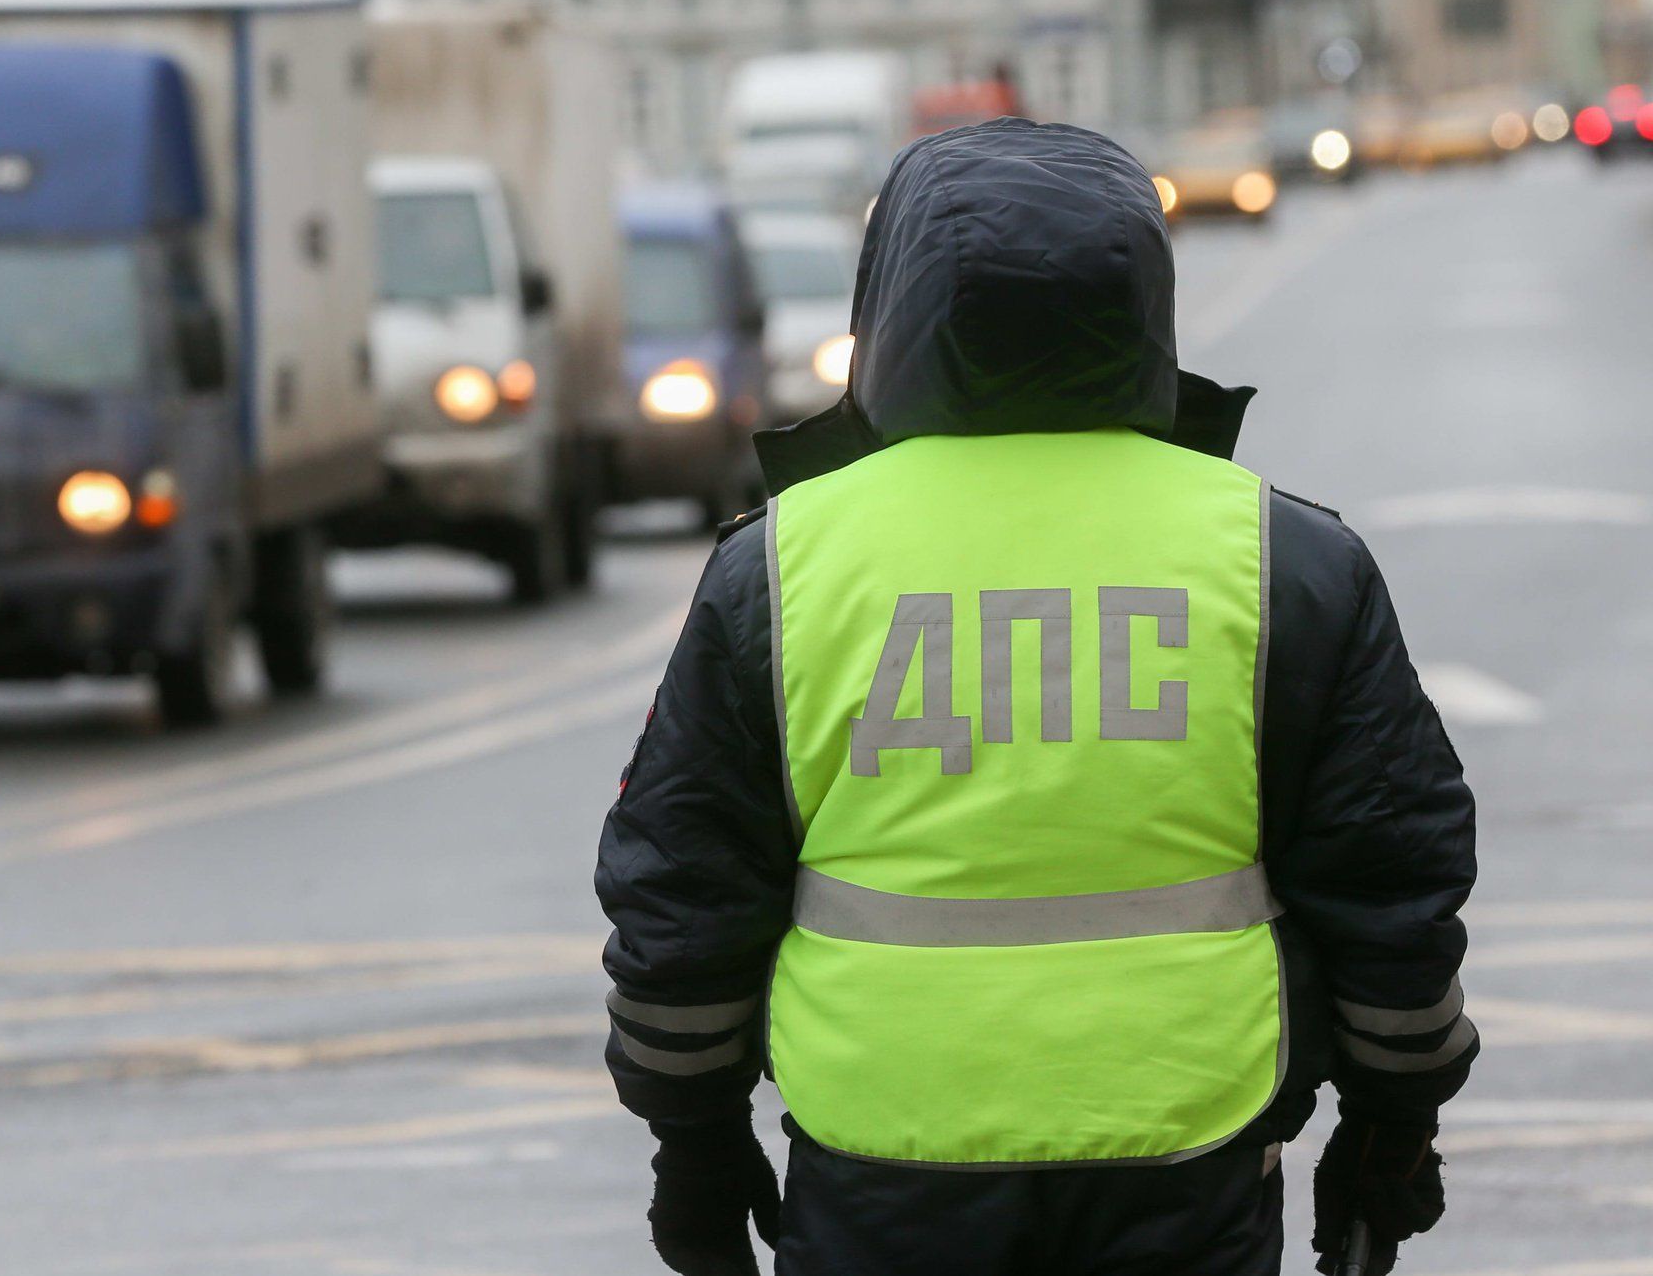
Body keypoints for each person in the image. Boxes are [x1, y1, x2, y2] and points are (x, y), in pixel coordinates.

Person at [595, 119, 1478, 1276]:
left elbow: (686, 894)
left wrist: (695, 1148)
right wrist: (1388, 1135)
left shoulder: (784, 569)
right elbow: (1391, 882)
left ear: (893, 307)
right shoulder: (1282, 559)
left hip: (883, 1157)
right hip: (1190, 1145)